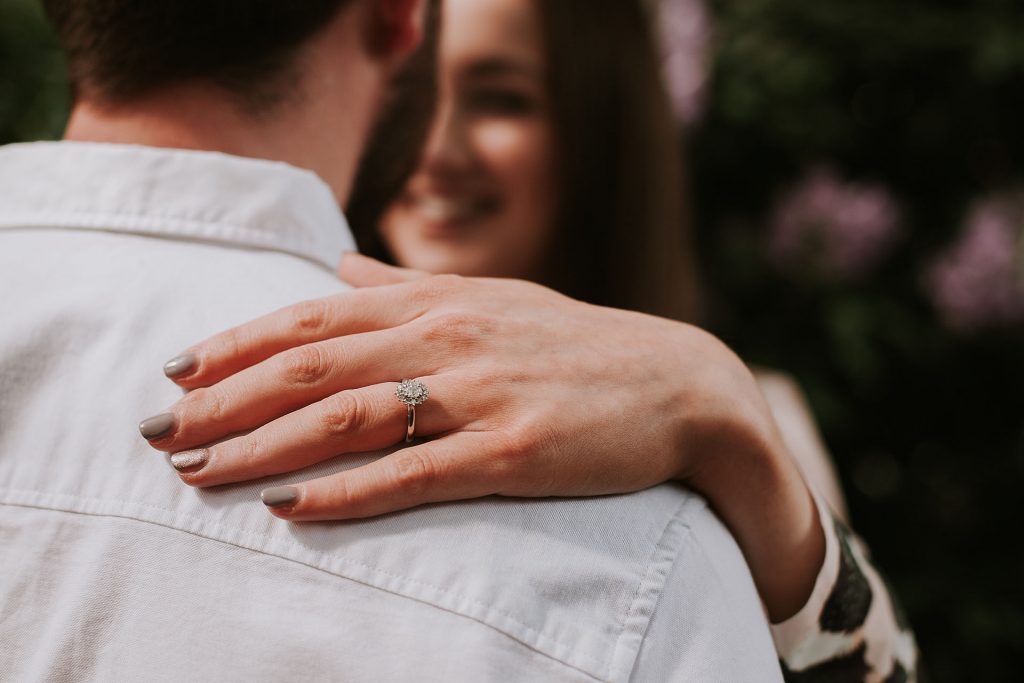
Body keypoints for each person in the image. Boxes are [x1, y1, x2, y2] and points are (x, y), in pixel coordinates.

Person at [0, 1, 786, 680]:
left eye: (501, 98)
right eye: (433, 83)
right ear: (399, 15)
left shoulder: (680, 488)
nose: (440, 148)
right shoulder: (639, 558)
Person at [144, 0, 919, 679]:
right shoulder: (259, 351)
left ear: (600, 126)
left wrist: (726, 416)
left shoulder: (749, 409)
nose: (437, 149)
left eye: (501, 100)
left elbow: (885, 674)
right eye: (415, 93)